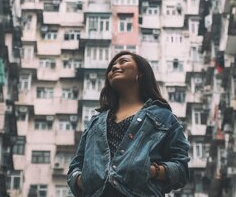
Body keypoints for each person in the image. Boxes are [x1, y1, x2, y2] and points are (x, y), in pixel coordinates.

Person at [67, 51, 190, 197]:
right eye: (112, 66)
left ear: (141, 73)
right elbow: (76, 166)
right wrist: (82, 180)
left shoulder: (164, 117)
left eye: (123, 61)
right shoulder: (96, 122)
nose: (114, 67)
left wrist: (150, 171)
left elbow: (181, 169)